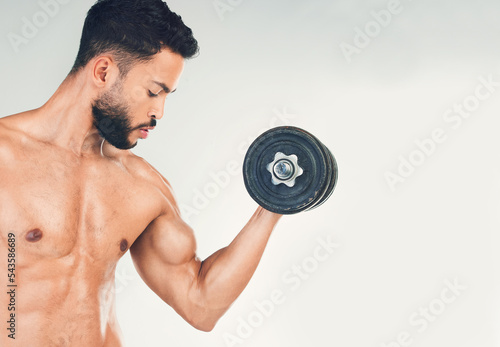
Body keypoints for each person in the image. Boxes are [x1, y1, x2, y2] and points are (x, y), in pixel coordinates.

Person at [0, 0, 282, 346]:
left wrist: (274, 204)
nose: (159, 111)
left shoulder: (143, 186)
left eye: (166, 96)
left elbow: (200, 305)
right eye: (153, 92)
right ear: (103, 72)